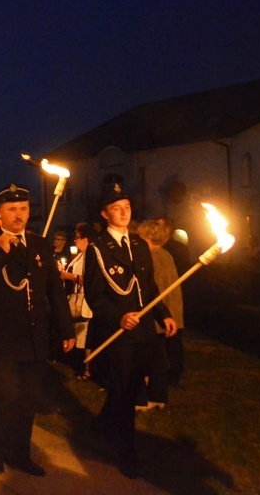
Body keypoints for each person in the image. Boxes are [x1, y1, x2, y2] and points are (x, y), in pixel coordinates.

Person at [0, 184, 75, 477]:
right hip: (2, 340)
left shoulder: (39, 245)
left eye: (24, 209)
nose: (19, 215)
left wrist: (66, 329)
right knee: (4, 396)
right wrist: (1, 254)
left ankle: (20, 453)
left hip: (34, 338)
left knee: (28, 398)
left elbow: (54, 290)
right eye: (12, 209)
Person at [83, 186, 177, 478]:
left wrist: (164, 314)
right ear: (104, 214)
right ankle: (126, 453)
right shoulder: (98, 249)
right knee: (125, 393)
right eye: (116, 208)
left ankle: (102, 424)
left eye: (126, 206)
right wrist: (118, 317)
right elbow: (94, 295)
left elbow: (148, 287)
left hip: (144, 330)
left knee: (134, 386)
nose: (124, 212)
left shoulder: (138, 244)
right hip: (119, 332)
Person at [135, 220, 184, 410]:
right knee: (159, 357)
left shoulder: (152, 257)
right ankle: (158, 396)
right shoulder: (166, 255)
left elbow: (152, 289)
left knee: (151, 357)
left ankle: (149, 396)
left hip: (156, 316)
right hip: (167, 315)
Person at [156, 216, 190, 385]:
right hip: (162, 295)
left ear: (167, 230)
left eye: (159, 227)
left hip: (172, 294)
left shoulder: (175, 249)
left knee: (173, 338)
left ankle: (175, 371)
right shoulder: (158, 249)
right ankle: (164, 369)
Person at [59, 222, 95, 379]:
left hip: (85, 300)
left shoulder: (91, 255)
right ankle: (80, 365)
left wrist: (70, 277)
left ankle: (88, 368)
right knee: (78, 333)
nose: (75, 241)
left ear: (86, 239)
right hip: (75, 298)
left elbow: (90, 279)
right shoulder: (79, 256)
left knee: (85, 335)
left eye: (77, 237)